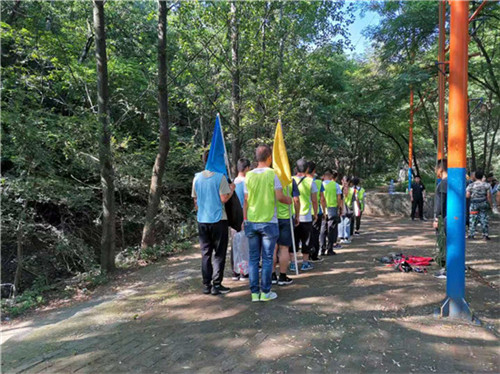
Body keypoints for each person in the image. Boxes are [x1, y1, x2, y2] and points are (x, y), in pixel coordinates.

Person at [244, 145, 292, 302]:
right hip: (269, 221)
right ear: (269, 157)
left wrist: (245, 219)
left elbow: (246, 200)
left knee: (253, 259)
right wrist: (289, 200)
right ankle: (265, 293)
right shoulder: (273, 174)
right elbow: (279, 197)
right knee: (267, 258)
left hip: (251, 220)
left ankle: (254, 294)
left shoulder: (248, 176)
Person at [192, 150, 235, 295]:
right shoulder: (220, 177)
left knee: (206, 254)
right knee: (219, 254)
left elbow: (195, 201)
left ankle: (206, 285)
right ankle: (217, 285)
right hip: (218, 220)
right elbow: (224, 198)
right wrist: (231, 190)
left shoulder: (196, 178)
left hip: (202, 220)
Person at [291, 158, 318, 272]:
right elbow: (314, 200)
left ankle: (293, 263)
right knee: (306, 240)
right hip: (306, 215)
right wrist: (315, 213)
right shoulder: (311, 181)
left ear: (296, 168)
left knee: (294, 240)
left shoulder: (290, 180)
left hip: (292, 214)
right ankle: (305, 263)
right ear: (307, 169)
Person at [272, 177, 300, 286]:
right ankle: (282, 276)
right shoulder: (289, 180)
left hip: (271, 217)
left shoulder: (269, 177)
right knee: (284, 248)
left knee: (273, 247)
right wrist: (297, 215)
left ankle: (272, 275)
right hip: (286, 217)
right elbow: (296, 200)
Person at [231, 158, 251, 281]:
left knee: (235, 245)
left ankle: (235, 272)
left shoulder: (233, 182)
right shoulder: (247, 182)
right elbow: (247, 201)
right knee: (244, 246)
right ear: (247, 168)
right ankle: (244, 272)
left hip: (233, 218)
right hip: (245, 217)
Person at [307, 161, 326, 263]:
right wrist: (323, 211)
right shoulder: (318, 182)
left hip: (302, 213)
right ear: (314, 171)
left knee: (306, 236)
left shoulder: (296, 181)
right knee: (315, 234)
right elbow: (321, 199)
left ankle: (306, 255)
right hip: (315, 212)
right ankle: (314, 255)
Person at [320, 170, 342, 255]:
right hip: (332, 208)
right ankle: (330, 249)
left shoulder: (320, 184)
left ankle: (322, 249)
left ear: (324, 176)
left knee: (323, 229)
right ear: (330, 177)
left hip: (323, 208)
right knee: (331, 229)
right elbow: (339, 197)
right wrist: (339, 207)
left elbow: (320, 198)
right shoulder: (335, 185)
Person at [467, 170, 492, 240]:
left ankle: (471, 234)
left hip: (474, 204)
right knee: (484, 218)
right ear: (482, 176)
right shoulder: (487, 185)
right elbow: (489, 196)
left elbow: (467, 195)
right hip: (483, 203)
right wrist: (491, 205)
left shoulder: (471, 185)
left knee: (472, 218)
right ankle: (485, 235)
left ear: (475, 176)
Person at [433, 160, 448, 271]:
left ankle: (445, 263)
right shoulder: (453, 182)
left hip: (444, 218)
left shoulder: (443, 183)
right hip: (451, 217)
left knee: (443, 240)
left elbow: (441, 203)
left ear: (440, 169)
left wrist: (437, 218)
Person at [338, 175, 352, 244]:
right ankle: (344, 237)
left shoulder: (339, 187)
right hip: (345, 207)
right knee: (344, 223)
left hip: (344, 208)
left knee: (343, 222)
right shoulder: (351, 190)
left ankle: (343, 237)